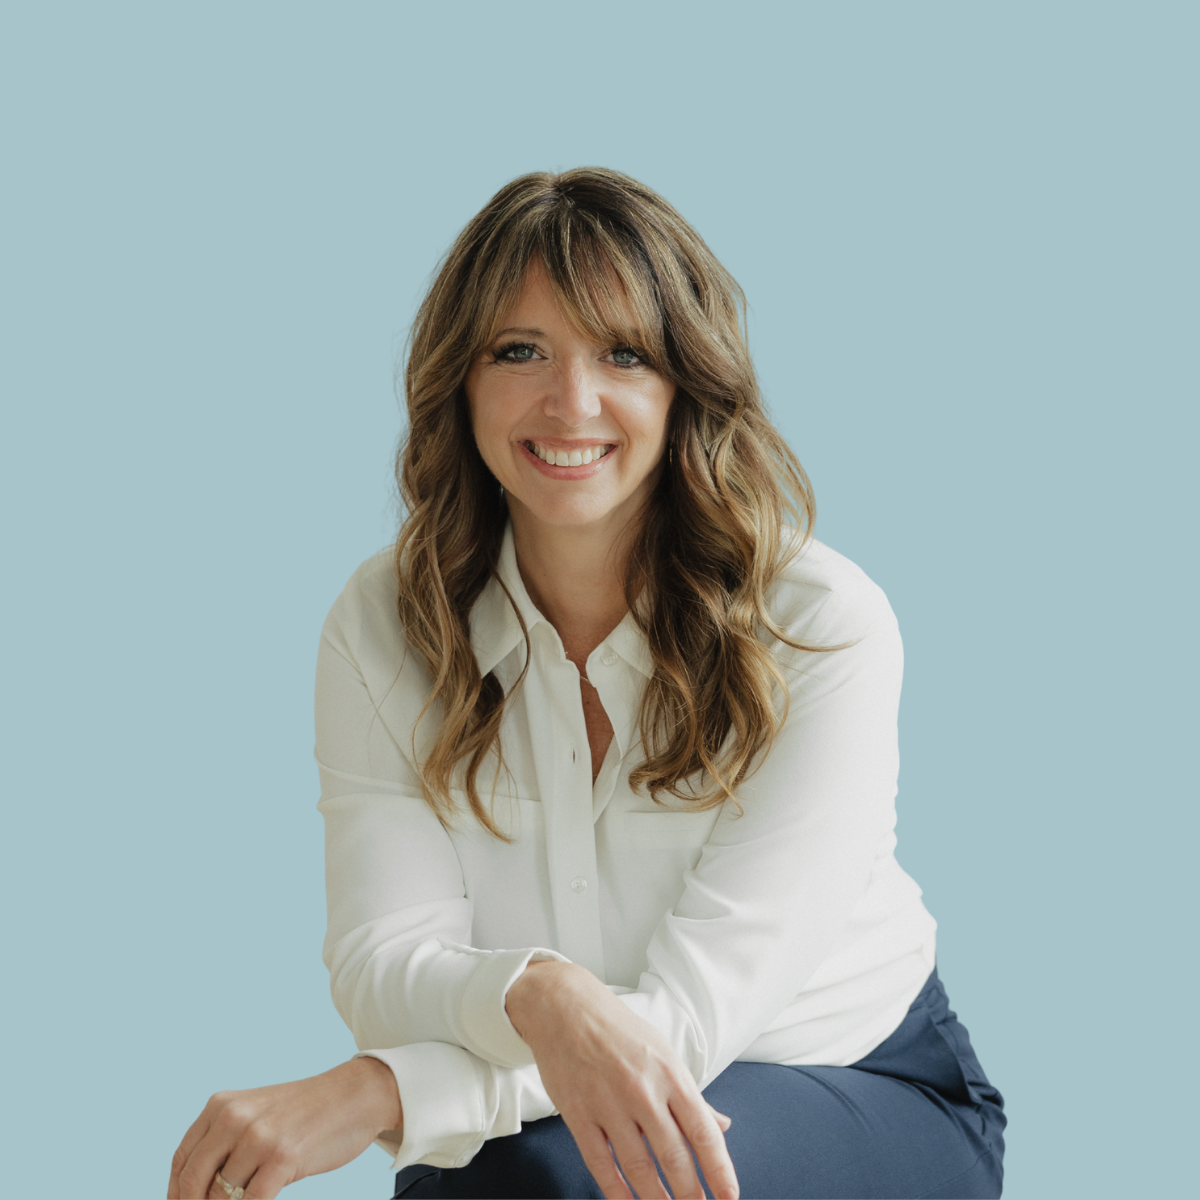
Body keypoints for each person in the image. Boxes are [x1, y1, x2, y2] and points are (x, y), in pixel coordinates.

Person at [167, 168, 1005, 1200]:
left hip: (852, 1075)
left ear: (685, 385)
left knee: (544, 1185)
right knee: (483, 1186)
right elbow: (386, 961)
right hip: (553, 1097)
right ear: (461, 381)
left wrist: (381, 1094)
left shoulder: (816, 622)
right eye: (520, 351)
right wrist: (538, 993)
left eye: (625, 355)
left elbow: (689, 1020)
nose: (572, 402)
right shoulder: (385, 621)